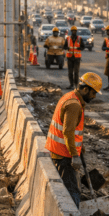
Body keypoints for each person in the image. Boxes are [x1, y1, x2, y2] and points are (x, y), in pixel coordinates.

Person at [45, 72, 102, 208]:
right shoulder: (74, 105)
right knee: (71, 191)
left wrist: (80, 148)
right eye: (93, 93)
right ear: (85, 89)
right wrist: (75, 156)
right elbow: (68, 132)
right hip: (64, 155)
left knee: (69, 187)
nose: (94, 97)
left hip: (62, 151)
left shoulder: (70, 97)